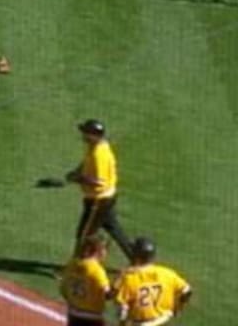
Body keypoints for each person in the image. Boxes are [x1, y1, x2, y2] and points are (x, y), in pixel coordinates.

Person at [67, 118, 133, 255]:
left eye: (86, 133)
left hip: (98, 200)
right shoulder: (95, 146)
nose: (83, 135)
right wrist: (78, 171)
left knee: (84, 234)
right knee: (114, 229)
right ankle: (135, 258)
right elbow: (86, 161)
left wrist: (79, 178)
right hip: (105, 199)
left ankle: (76, 268)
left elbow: (99, 182)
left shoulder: (99, 154)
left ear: (94, 136)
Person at [113, 237, 192, 325]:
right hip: (162, 321)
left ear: (136, 256)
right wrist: (177, 309)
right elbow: (187, 291)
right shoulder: (167, 273)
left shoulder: (129, 279)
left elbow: (122, 310)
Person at [60, 236, 111, 326]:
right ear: (99, 251)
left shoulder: (72, 264)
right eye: (105, 250)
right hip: (92, 318)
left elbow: (63, 290)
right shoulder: (97, 270)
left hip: (73, 315)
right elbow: (107, 294)